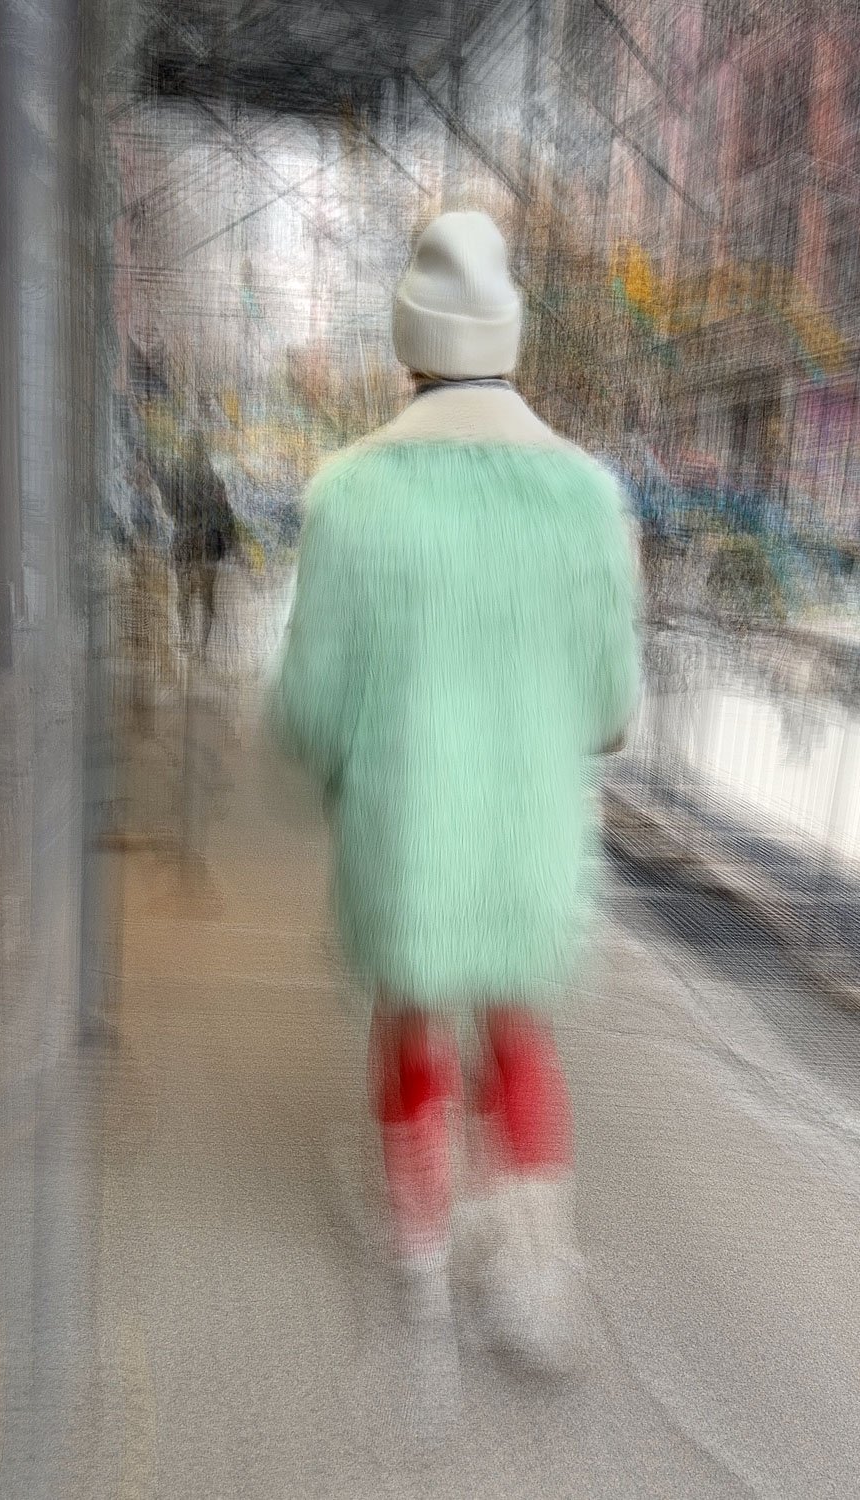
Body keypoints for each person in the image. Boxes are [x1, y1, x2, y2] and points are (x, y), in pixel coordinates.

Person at [269, 212, 641, 1416]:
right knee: (519, 1039)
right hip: (530, 836)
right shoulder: (586, 500)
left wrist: (351, 760)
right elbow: (611, 708)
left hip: (404, 832)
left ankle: (423, 1271)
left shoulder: (353, 497)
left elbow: (310, 709)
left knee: (413, 1030)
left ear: (406, 349)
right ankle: (531, 1275)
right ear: (514, 342)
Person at [156, 431, 239, 658]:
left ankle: (190, 639)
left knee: (186, 594)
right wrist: (233, 544)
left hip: (188, 538)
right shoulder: (210, 478)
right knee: (203, 597)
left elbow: (170, 508)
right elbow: (225, 514)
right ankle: (199, 645)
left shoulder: (180, 475)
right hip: (204, 541)